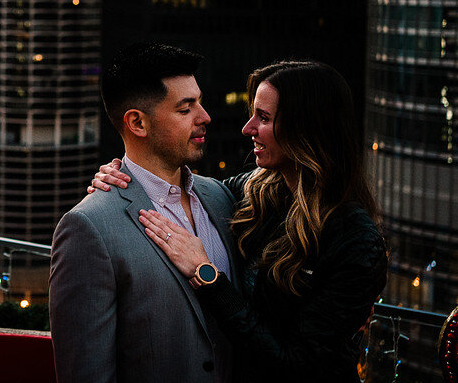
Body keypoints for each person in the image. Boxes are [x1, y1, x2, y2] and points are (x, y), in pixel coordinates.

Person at [90, 60, 387, 383]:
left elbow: (295, 366)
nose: (247, 129)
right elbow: (189, 190)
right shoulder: (256, 192)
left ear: (306, 129)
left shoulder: (355, 238)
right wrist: (124, 176)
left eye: (264, 118)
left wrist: (208, 276)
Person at [49, 42, 240, 383]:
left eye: (200, 102)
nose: (205, 117)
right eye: (185, 109)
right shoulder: (88, 227)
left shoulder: (222, 197)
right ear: (137, 123)